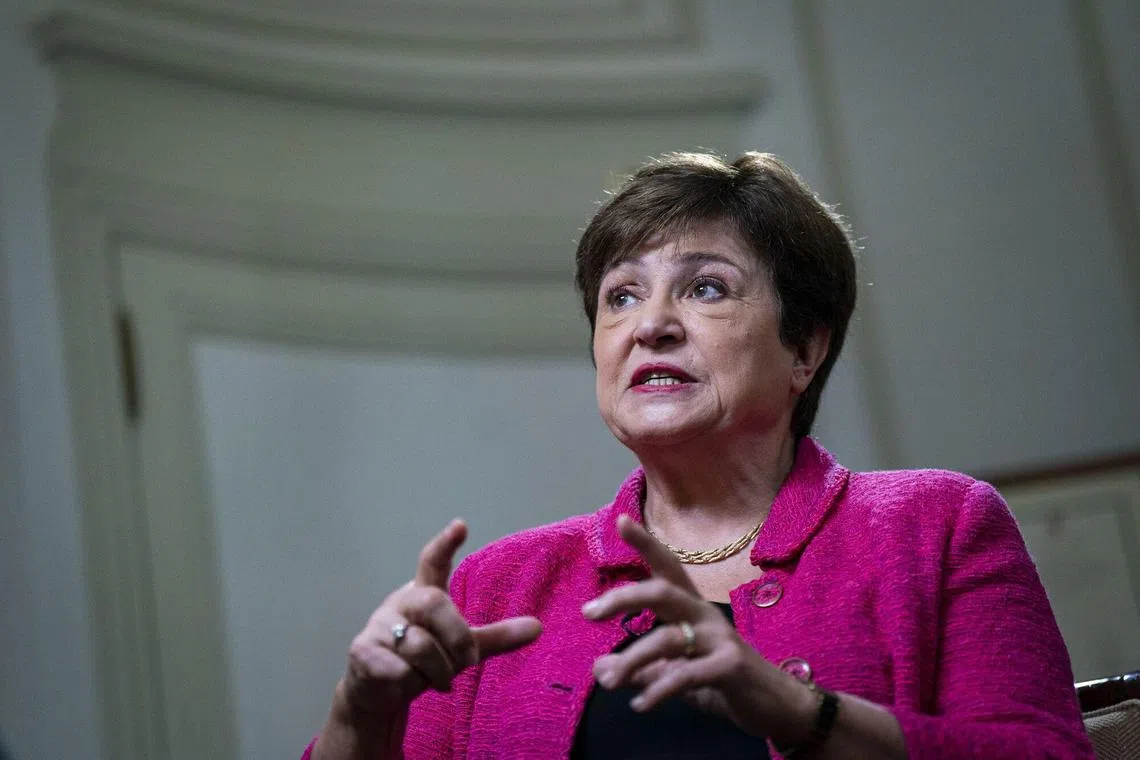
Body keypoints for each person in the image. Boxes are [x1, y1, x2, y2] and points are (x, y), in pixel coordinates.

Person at [304, 152, 1094, 758]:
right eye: (621, 295)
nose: (652, 324)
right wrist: (358, 711)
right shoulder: (499, 587)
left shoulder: (939, 525)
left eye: (706, 288)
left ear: (804, 350)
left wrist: (794, 712)